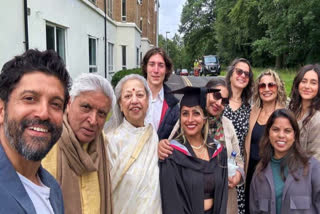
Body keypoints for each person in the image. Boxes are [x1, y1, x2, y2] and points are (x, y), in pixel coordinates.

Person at [158, 78, 244, 214]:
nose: (219, 102)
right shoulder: (174, 152)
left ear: (204, 118)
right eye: (216, 95)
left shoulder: (222, 141)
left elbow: (238, 158)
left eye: (225, 101)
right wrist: (160, 147)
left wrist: (238, 173)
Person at [0, 49, 71, 213]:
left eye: (55, 104)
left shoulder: (52, 188)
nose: (44, 113)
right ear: (2, 110)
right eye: (29, 99)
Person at [42, 73, 115, 214]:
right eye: (86, 107)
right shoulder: (46, 144)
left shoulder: (103, 144)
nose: (93, 120)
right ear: (68, 104)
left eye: (101, 113)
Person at [106, 74, 161, 213]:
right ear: (120, 105)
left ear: (148, 101)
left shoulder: (152, 134)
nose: (134, 100)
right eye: (128, 96)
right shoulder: (111, 141)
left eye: (140, 95)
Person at [250, 108, 320, 213]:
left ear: (295, 135)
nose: (281, 135)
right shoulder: (259, 173)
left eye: (287, 131)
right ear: (268, 133)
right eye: (276, 129)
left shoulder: (312, 168)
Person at [244, 69, 286, 211]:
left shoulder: (284, 114)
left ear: (278, 87)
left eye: (271, 85)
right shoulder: (253, 111)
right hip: (251, 171)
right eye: (262, 86)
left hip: (272, 173)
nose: (266, 89)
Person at [224, 58, 253, 213]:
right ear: (231, 74)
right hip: (216, 165)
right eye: (239, 71)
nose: (242, 75)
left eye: (246, 74)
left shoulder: (250, 109)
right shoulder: (219, 102)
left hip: (237, 169)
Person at [142, 47, 179, 140]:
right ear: (146, 67)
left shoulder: (174, 107)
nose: (156, 70)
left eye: (161, 65)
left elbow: (177, 140)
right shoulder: (131, 98)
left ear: (166, 69)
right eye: (152, 64)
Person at [289, 64, 320, 161]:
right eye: (304, 81)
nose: (307, 86)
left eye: (313, 83)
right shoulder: (292, 109)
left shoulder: (317, 119)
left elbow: (315, 160)